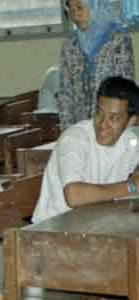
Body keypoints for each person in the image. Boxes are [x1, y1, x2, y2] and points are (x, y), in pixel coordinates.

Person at [32, 76, 139, 224]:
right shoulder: (75, 138)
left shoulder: (130, 141)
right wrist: (131, 187)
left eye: (113, 119)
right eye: (99, 113)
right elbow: (74, 195)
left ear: (131, 121)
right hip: (51, 231)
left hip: (96, 225)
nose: (102, 124)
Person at [58, 0, 135, 130]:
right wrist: (67, 131)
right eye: (71, 10)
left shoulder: (118, 39)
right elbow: (65, 92)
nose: (76, 15)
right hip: (80, 126)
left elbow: (126, 89)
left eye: (80, 7)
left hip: (111, 126)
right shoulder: (70, 45)